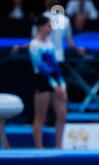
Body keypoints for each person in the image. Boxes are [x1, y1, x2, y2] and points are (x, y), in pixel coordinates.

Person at [29, 16, 67, 148]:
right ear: (40, 27)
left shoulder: (50, 44)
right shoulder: (34, 44)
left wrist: (62, 84)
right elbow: (40, 67)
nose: (51, 29)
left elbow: (55, 66)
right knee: (41, 117)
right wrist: (53, 84)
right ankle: (39, 148)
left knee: (62, 114)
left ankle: (59, 146)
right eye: (48, 26)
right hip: (42, 81)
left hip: (55, 81)